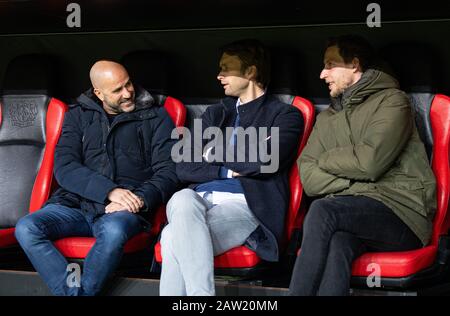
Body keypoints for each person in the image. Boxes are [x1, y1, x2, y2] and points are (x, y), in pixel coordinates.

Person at [288, 35, 436, 296]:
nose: (322, 73)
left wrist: (326, 160)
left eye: (330, 65)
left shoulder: (393, 101)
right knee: (338, 243)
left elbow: (369, 163)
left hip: (401, 213)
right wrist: (353, 179)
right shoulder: (328, 118)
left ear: (354, 65)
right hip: (351, 213)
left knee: (323, 210)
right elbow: (308, 177)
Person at [15, 60, 179, 296]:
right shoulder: (78, 116)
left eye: (128, 84)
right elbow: (65, 166)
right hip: (75, 205)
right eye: (117, 90)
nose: (127, 93)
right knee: (27, 227)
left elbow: (169, 170)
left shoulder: (156, 116)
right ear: (98, 93)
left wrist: (139, 199)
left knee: (113, 231)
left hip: (126, 209)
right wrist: (109, 191)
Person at [159, 39, 304, 296]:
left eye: (226, 69)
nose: (219, 75)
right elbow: (183, 166)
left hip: (246, 203)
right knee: (181, 197)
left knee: (172, 238)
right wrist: (227, 169)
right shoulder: (216, 113)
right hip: (197, 202)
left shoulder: (284, 115)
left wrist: (210, 152)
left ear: (250, 72)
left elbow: (266, 161)